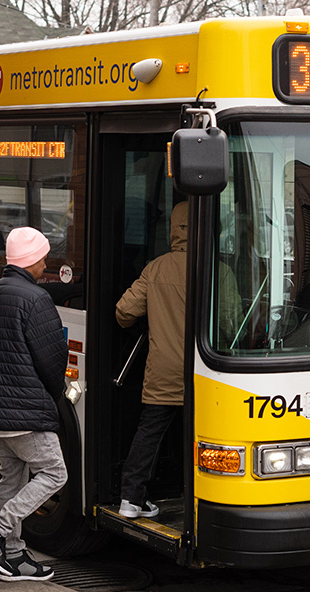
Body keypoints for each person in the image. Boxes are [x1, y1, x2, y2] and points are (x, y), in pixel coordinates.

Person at [0, 226, 68, 582]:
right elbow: (52, 358)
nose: (45, 264)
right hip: (24, 410)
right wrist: (54, 397)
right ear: (34, 260)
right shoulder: (35, 299)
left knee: (12, 477)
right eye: (43, 258)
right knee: (55, 472)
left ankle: (14, 556)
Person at [114, 201, 189, 519]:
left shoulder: (155, 268)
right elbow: (231, 322)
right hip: (207, 374)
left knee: (150, 432)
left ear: (173, 230)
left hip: (163, 370)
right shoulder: (216, 268)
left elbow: (123, 313)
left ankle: (131, 499)